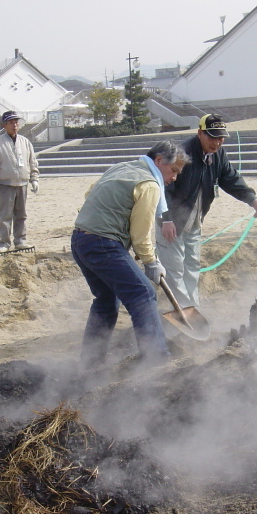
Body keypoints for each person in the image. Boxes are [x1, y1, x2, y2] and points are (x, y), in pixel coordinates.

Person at [71, 140, 189, 367]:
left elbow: (90, 193)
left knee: (105, 300)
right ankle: (156, 361)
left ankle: (90, 363)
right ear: (159, 161)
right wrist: (151, 261)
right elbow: (141, 232)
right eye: (174, 170)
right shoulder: (149, 185)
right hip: (103, 243)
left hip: (80, 239)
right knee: (143, 294)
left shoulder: (122, 167)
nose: (174, 177)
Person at [157, 114, 257, 308]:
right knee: (174, 271)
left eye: (221, 138)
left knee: (191, 268)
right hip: (172, 222)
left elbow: (230, 178)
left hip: (194, 220)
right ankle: (181, 313)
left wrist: (253, 201)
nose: (217, 142)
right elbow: (164, 187)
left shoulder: (217, 154)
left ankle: (192, 309)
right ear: (200, 133)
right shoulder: (182, 153)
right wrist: (166, 219)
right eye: (212, 137)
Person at [0, 111, 39, 253]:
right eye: (11, 122)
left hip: (22, 183)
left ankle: (20, 240)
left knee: (21, 214)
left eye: (16, 122)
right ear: (4, 125)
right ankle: (4, 243)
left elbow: (32, 162)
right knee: (5, 215)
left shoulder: (25, 142)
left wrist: (34, 179)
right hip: (6, 184)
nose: (15, 125)